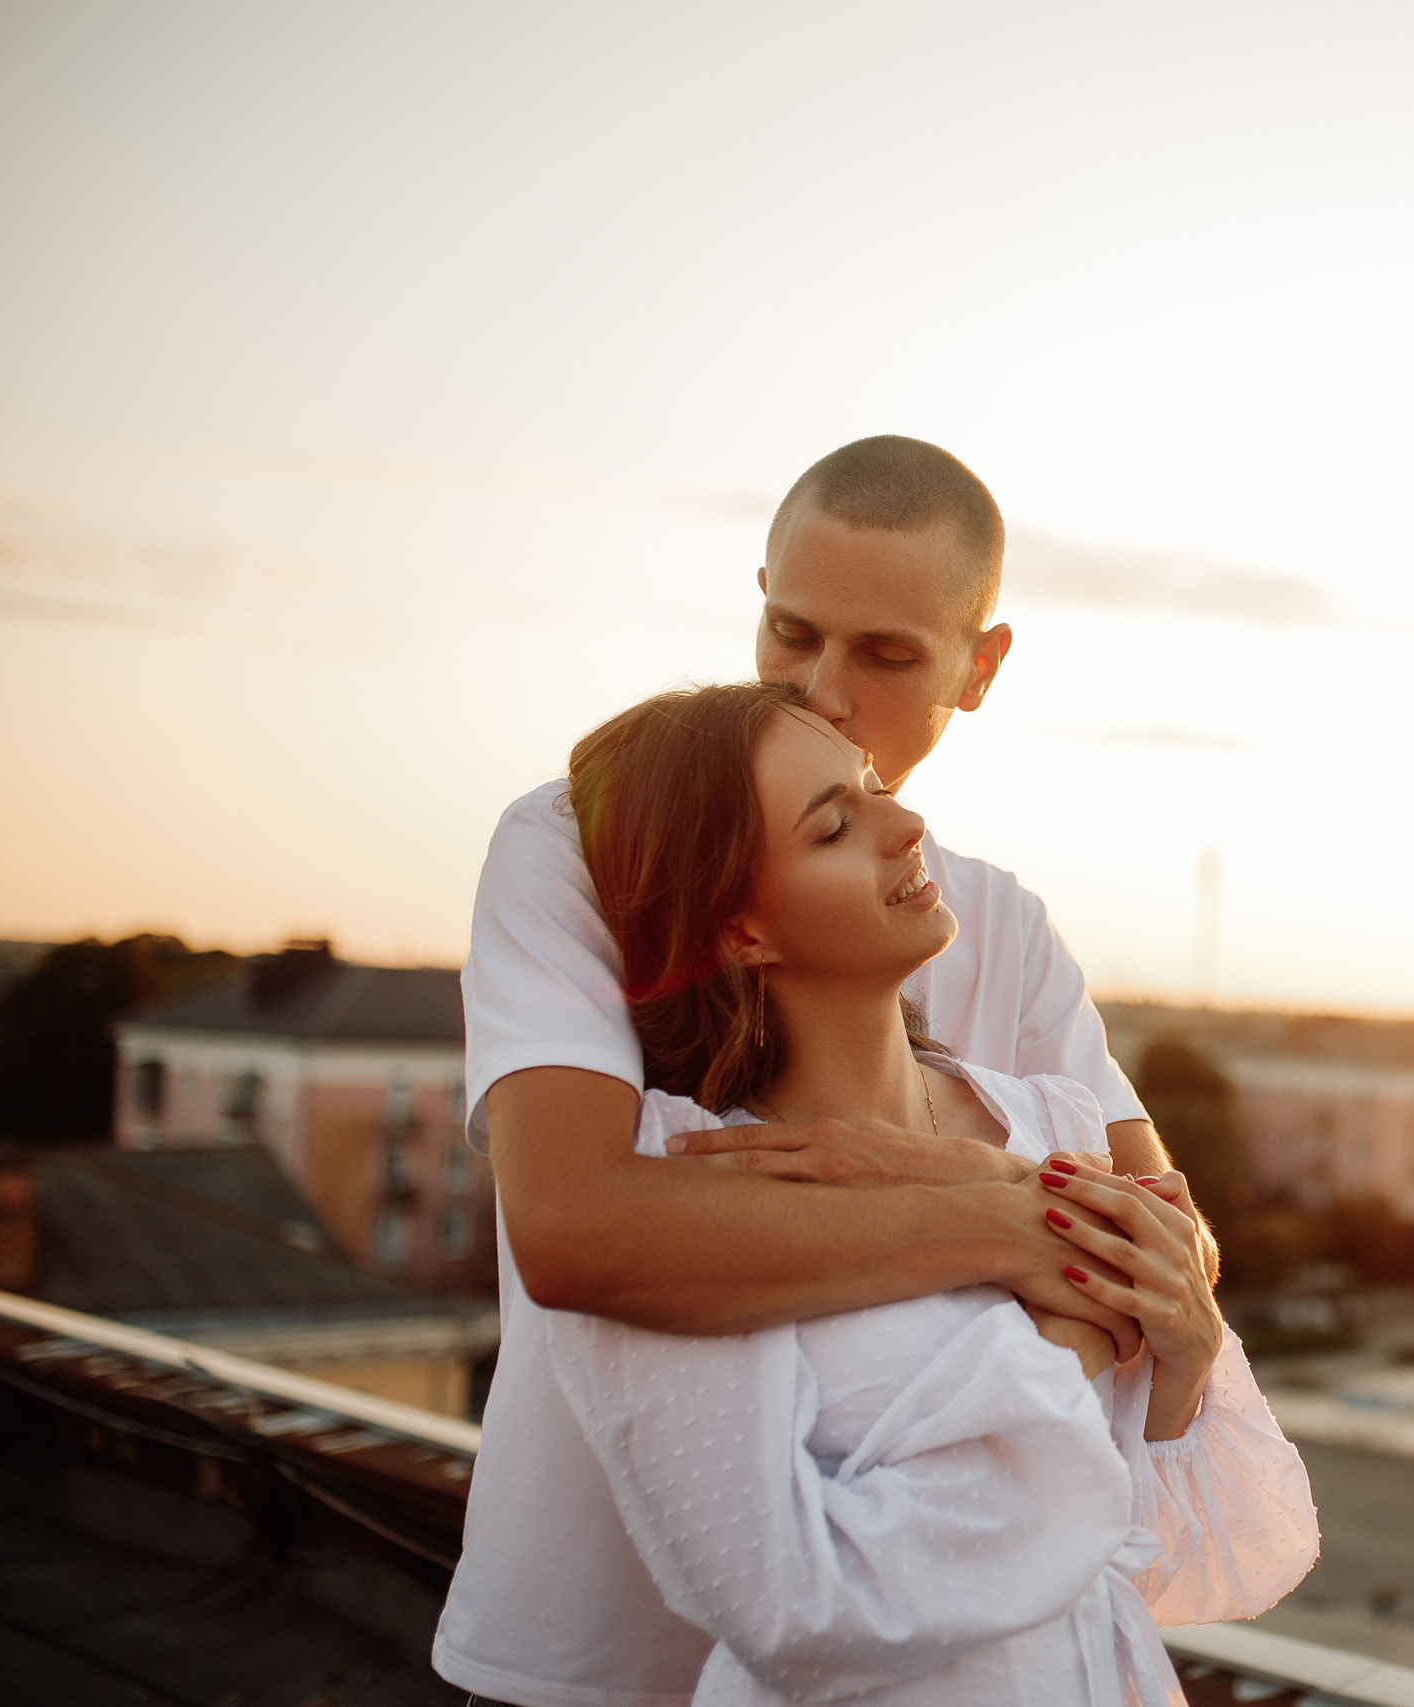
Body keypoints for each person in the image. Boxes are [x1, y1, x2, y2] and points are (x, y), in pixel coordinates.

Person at [434, 439, 1203, 1707]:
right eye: (790, 632)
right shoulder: (581, 844)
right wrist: (1001, 1213)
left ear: (980, 666)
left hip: (937, 1659)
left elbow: (1172, 1258)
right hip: (589, 1654)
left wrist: (954, 1194)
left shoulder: (997, 926)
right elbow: (578, 1228)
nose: (821, 689)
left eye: (887, 654)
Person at [523, 680, 1314, 1705]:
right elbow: (800, 1614)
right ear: (739, 930)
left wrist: (1186, 1358)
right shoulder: (688, 1200)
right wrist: (1074, 1343)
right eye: (833, 825)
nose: (905, 823)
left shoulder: (1056, 1128)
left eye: (868, 788)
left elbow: (1191, 1556)